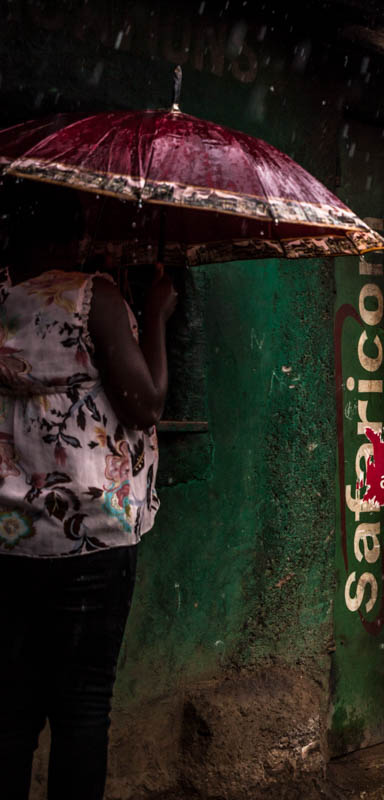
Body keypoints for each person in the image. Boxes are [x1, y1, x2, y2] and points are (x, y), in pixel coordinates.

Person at [0, 182, 178, 800]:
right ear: (65, 237)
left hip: (7, 536)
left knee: (11, 709)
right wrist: (153, 313)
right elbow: (145, 404)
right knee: (81, 707)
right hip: (90, 537)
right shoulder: (92, 297)